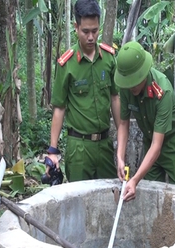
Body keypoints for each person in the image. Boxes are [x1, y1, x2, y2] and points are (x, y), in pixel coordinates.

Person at [46, 0, 120, 182]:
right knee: (78, 202)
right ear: (76, 27)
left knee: (109, 197)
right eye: (85, 31)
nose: (91, 37)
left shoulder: (109, 58)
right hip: (79, 148)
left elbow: (115, 98)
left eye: (95, 31)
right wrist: (52, 151)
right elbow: (59, 108)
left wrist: (121, 139)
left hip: (105, 145)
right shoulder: (67, 64)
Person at [114, 41, 175, 201]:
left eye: (134, 82)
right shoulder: (127, 88)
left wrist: (134, 180)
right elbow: (123, 123)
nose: (131, 88)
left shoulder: (163, 91)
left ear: (143, 73)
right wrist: (120, 157)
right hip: (150, 141)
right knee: (153, 193)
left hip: (173, 142)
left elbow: (157, 146)